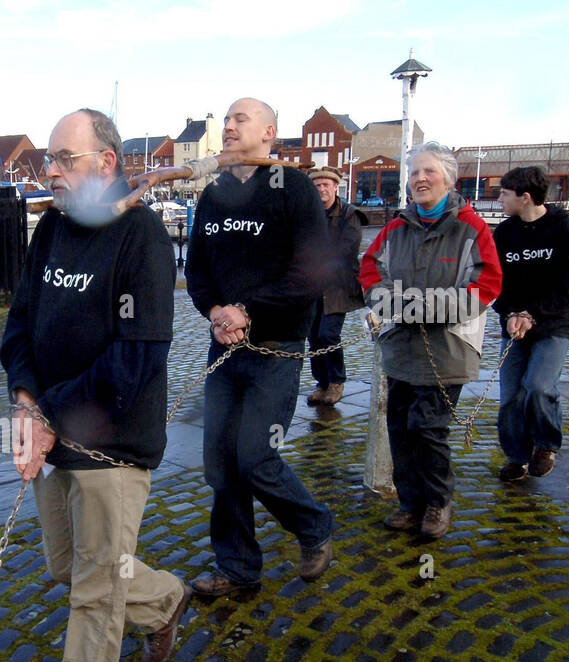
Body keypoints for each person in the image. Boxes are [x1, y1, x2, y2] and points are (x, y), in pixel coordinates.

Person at [0, 108, 193, 662]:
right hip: (52, 430)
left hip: (113, 444)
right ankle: (166, 598)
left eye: (62, 158)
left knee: (93, 597)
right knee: (67, 567)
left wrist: (51, 415)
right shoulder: (51, 228)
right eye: (47, 159)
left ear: (106, 162)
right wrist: (26, 399)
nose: (49, 170)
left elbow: (136, 361)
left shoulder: (140, 235)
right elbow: (19, 322)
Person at [183, 97, 334, 597]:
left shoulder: (292, 189)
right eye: (225, 120)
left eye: (239, 119)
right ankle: (238, 567)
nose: (227, 126)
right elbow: (198, 269)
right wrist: (214, 313)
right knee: (221, 464)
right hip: (224, 348)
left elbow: (309, 274)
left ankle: (313, 527)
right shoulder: (213, 195)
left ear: (269, 131)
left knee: (255, 457)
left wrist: (249, 311)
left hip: (276, 346)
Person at [360, 143, 503, 539]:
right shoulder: (395, 229)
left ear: (448, 178)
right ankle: (410, 504)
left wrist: (429, 307)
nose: (420, 179)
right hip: (401, 348)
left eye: (429, 172)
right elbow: (370, 271)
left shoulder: (471, 228)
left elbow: (487, 285)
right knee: (400, 428)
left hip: (448, 349)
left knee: (428, 428)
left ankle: (438, 503)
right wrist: (390, 301)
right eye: (414, 173)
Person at [492, 167, 569, 481]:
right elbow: (493, 281)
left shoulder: (563, 228)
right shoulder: (504, 233)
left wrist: (533, 314)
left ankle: (546, 443)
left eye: (505, 194)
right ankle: (516, 456)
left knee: (537, 386)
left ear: (525, 197)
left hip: (555, 324)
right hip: (514, 324)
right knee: (510, 396)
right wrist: (509, 313)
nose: (499, 199)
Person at [305, 165, 368, 406]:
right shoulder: (309, 214)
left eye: (325, 185)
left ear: (335, 187)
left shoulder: (349, 214)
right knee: (313, 336)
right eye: (317, 186)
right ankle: (321, 383)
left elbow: (347, 250)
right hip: (313, 286)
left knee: (328, 334)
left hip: (338, 286)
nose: (321, 189)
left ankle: (336, 381)